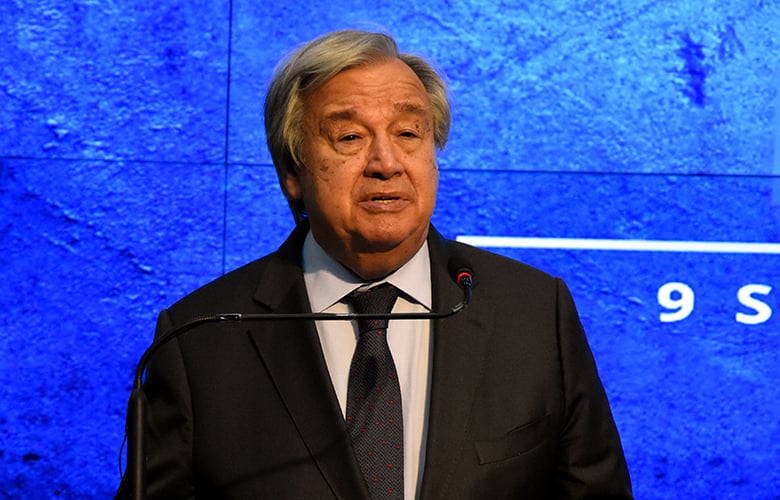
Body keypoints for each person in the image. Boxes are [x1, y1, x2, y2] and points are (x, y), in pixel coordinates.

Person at [116, 29, 632, 499]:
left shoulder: (534, 313)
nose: (386, 164)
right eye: (350, 138)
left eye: (408, 134)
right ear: (292, 170)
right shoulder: (201, 339)